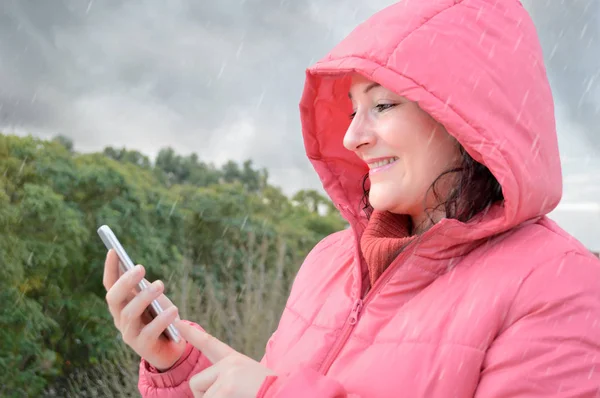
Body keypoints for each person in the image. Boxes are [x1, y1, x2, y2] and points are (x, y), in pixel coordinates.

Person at [103, 0, 600, 396]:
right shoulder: (329, 261)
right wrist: (179, 373)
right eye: (352, 110)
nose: (351, 138)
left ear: (468, 117)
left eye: (382, 105)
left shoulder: (562, 287)